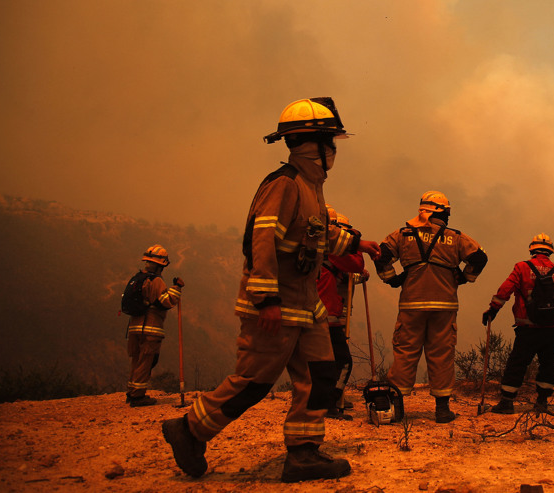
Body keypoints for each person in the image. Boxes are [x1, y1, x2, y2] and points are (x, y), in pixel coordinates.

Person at [162, 97, 381, 483]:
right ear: (313, 143)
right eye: (330, 141)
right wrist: (265, 300)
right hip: (277, 306)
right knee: (254, 382)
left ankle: (303, 454)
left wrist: (355, 243)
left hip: (306, 307)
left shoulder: (311, 187)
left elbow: (312, 235)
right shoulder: (284, 184)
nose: (333, 151)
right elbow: (260, 240)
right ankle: (190, 429)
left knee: (321, 376)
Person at [374, 190, 487, 423]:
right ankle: (442, 410)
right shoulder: (456, 237)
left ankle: (397, 408)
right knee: (442, 354)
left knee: (405, 353)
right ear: (442, 212)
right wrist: (464, 277)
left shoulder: (403, 234)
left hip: (411, 304)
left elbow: (380, 255)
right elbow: (479, 258)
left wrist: (392, 278)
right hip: (444, 306)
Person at [483, 233, 554, 414]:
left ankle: (507, 402)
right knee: (548, 365)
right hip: (552, 330)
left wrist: (493, 309)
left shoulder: (522, 268)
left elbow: (505, 289)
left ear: (531, 249)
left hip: (527, 329)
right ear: (550, 251)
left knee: (517, 363)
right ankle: (541, 402)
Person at [319, 208, 367, 420]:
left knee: (317, 362)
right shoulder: (332, 249)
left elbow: (342, 275)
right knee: (342, 361)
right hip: (327, 316)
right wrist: (354, 241)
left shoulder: (315, 249)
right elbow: (355, 264)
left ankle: (319, 401)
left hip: (316, 314)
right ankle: (329, 404)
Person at [123, 244, 184, 407]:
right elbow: (165, 301)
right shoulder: (155, 281)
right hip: (150, 328)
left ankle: (131, 391)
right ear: (161, 265)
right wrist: (177, 288)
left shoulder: (138, 278)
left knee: (136, 360)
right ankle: (138, 396)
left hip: (134, 327)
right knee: (146, 361)